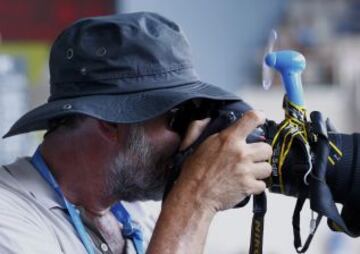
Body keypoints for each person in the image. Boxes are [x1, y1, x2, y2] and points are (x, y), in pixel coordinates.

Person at [0, 12, 272, 254]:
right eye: (179, 119)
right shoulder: (9, 217)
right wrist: (196, 199)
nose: (190, 137)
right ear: (110, 120)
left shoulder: (137, 210)